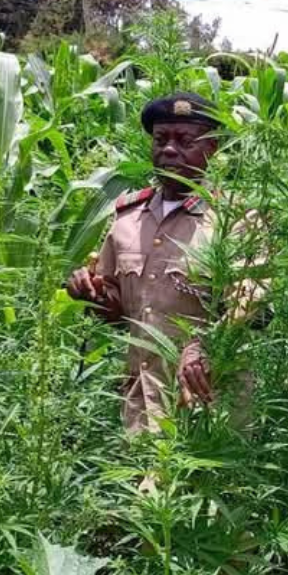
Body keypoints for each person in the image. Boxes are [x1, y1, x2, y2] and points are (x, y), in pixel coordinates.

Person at [68, 92, 255, 434]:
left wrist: (208, 346)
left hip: (208, 402)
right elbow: (118, 310)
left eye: (185, 141)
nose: (169, 150)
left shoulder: (235, 221)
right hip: (141, 401)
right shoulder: (127, 219)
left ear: (211, 149)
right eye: (160, 139)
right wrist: (90, 292)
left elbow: (253, 304)